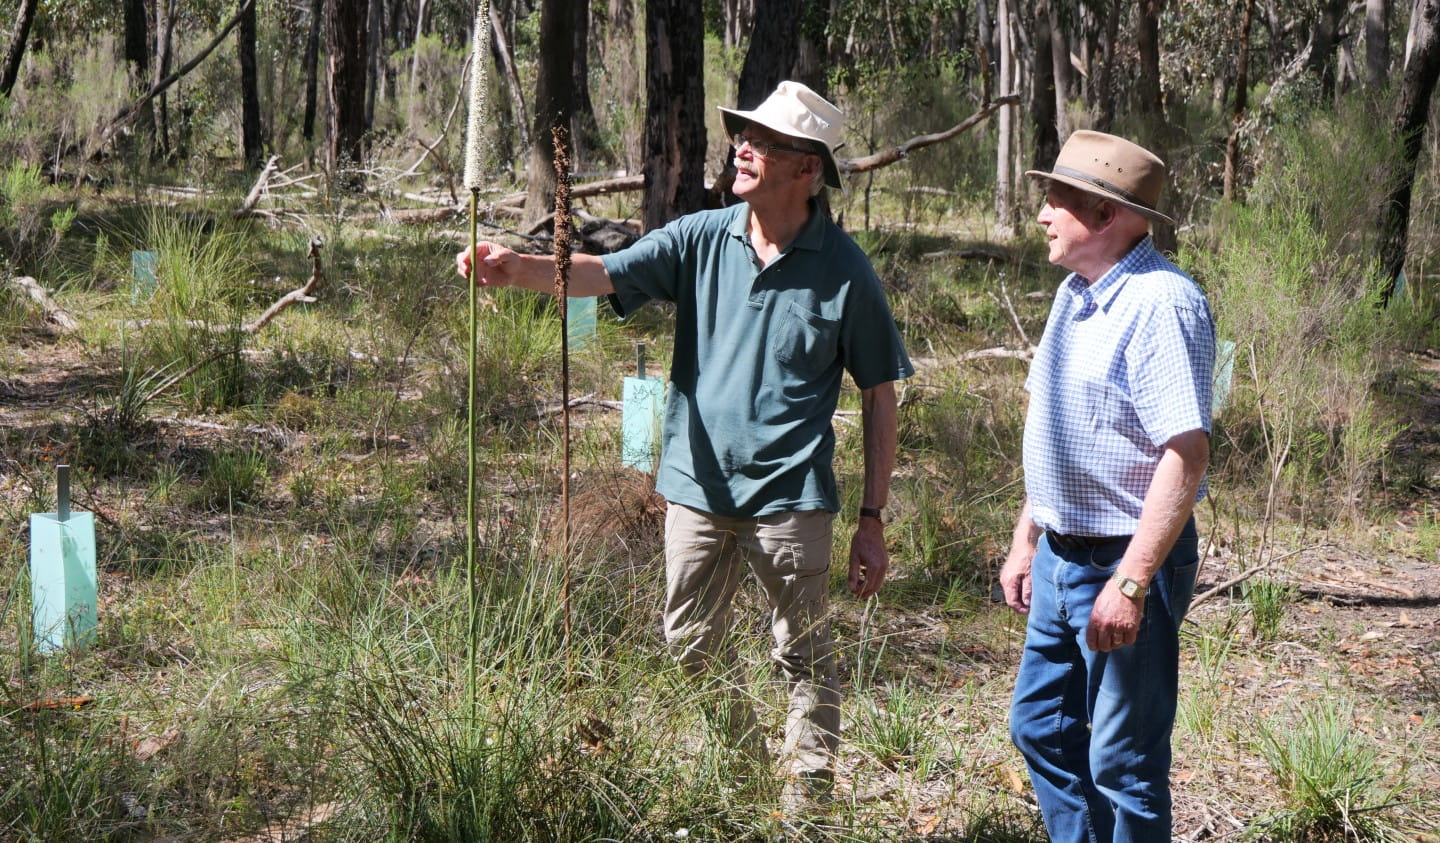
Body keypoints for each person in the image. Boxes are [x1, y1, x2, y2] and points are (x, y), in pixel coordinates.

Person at [457, 81, 913, 806]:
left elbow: (880, 394)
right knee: (689, 643)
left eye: (765, 142)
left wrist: (872, 517)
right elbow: (604, 272)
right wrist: (515, 269)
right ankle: (743, 776)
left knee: (803, 654)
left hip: (791, 500)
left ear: (808, 170)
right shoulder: (705, 237)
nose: (744, 148)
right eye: (744, 135)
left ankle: (807, 802)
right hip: (698, 491)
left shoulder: (846, 272)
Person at [999, 130, 1215, 842]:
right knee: (1040, 726)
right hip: (1063, 553)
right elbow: (1053, 428)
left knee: (1124, 763)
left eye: (1057, 199)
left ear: (1105, 216)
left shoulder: (1163, 304)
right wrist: (1026, 538)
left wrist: (1129, 582)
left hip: (1123, 561)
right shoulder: (1075, 294)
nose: (1042, 213)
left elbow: (1185, 453)